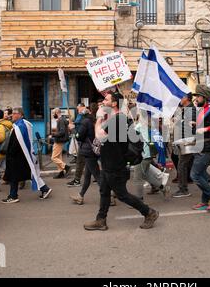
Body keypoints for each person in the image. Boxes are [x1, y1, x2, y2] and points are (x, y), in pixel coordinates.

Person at [83, 92, 159, 230]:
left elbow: (100, 136)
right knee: (104, 192)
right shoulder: (113, 118)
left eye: (106, 100)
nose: (102, 103)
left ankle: (149, 212)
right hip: (109, 163)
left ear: (114, 104)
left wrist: (99, 119)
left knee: (122, 195)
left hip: (115, 165)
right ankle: (101, 220)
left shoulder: (118, 119)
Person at [2, 107, 52, 203]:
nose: (12, 115)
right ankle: (44, 189)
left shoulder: (20, 126)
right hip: (23, 155)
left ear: (20, 115)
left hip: (19, 156)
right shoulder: (23, 124)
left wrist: (10, 153)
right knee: (26, 174)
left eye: (14, 113)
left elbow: (17, 143)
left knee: (16, 175)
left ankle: (13, 196)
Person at [70, 103, 101, 205]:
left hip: (88, 151)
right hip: (93, 150)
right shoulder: (94, 121)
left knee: (97, 175)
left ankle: (109, 196)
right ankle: (80, 196)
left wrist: (73, 129)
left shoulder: (85, 122)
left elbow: (79, 136)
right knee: (87, 176)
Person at [172, 92, 196, 198]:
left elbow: (190, 126)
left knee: (182, 164)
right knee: (191, 164)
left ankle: (183, 189)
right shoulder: (185, 109)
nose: (179, 99)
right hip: (185, 140)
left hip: (189, 141)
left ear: (186, 98)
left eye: (181, 97)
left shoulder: (191, 110)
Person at [68, 103, 87, 186]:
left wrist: (73, 128)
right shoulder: (81, 116)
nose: (78, 110)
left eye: (78, 108)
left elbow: (79, 133)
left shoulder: (84, 116)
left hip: (85, 143)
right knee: (86, 164)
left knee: (81, 162)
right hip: (83, 143)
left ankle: (77, 181)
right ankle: (77, 180)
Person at [51, 108, 71, 179]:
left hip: (59, 141)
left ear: (57, 113)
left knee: (54, 157)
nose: (53, 115)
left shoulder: (61, 120)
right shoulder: (61, 120)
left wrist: (53, 134)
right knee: (59, 157)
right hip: (60, 140)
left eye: (53, 114)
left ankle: (66, 167)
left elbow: (62, 132)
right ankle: (61, 172)